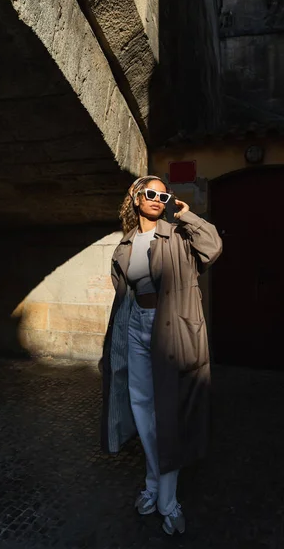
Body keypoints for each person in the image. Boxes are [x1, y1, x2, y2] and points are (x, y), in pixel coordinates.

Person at [100, 175, 222, 535]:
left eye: (163, 195)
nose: (157, 199)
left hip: (170, 325)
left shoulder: (178, 234)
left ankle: (166, 500)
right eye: (150, 193)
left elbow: (212, 247)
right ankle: (154, 484)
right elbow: (124, 290)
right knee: (141, 406)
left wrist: (188, 216)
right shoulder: (125, 244)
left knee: (168, 412)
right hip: (136, 322)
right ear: (136, 197)